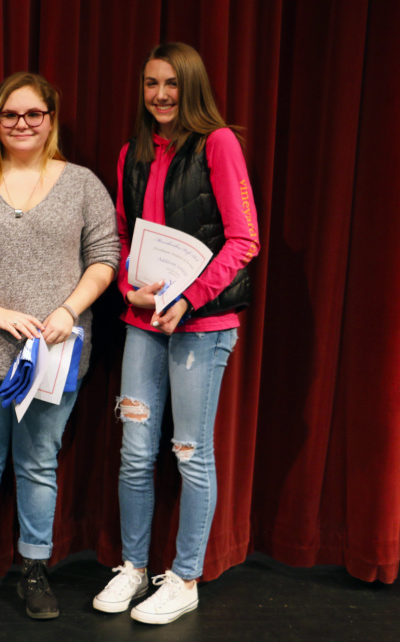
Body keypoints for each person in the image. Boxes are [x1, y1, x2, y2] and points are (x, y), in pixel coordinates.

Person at [0, 72, 120, 620]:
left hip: (56, 354)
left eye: (34, 114)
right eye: (10, 115)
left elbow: (106, 255)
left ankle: (34, 568)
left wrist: (68, 311)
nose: (22, 124)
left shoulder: (82, 183)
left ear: (51, 120)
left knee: (39, 463)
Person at [92, 42, 260, 625]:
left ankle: (185, 578)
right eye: (150, 84)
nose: (160, 95)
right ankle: (133, 568)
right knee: (134, 452)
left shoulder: (219, 144)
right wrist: (129, 291)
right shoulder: (131, 154)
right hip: (143, 322)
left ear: (191, 88)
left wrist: (188, 298)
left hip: (202, 325)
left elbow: (244, 240)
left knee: (190, 453)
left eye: (171, 84)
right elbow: (118, 235)